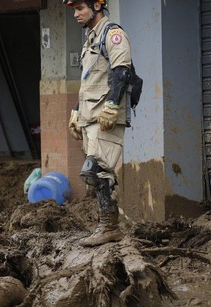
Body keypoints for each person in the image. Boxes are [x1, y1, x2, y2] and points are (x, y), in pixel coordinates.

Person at [64, 0, 132, 246]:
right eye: (73, 10)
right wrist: (76, 111)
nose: (76, 14)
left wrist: (113, 105)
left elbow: (122, 71)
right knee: (96, 173)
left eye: (80, 8)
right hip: (90, 116)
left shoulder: (113, 34)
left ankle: (109, 227)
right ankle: (107, 226)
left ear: (96, 6)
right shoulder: (91, 39)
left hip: (106, 117)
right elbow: (88, 80)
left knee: (96, 169)